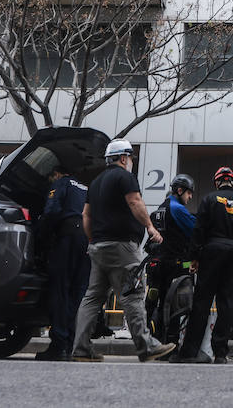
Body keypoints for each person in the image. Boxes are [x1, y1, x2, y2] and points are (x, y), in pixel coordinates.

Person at [67, 138, 177, 362]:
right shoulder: (125, 177)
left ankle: (81, 348)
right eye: (130, 158)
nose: (131, 163)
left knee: (92, 298)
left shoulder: (96, 182)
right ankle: (146, 346)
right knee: (133, 294)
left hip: (98, 247)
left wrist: (93, 240)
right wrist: (149, 227)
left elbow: (85, 216)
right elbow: (135, 202)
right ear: (124, 158)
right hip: (122, 247)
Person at [171, 166, 233, 364]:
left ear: (217, 182)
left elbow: (199, 229)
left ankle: (189, 352)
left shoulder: (209, 199)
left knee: (202, 302)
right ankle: (221, 353)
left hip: (211, 252)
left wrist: (194, 257)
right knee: (227, 302)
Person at [35, 164, 90, 361]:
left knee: (60, 291)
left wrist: (41, 237)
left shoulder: (60, 184)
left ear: (57, 173)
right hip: (86, 242)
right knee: (77, 294)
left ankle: (58, 346)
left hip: (67, 239)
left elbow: (51, 211)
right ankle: (70, 344)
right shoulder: (85, 188)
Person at [147, 173, 196, 345]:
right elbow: (195, 230)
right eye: (189, 193)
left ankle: (157, 341)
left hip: (156, 265)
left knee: (159, 305)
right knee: (176, 306)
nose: (190, 197)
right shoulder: (177, 209)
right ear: (180, 190)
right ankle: (172, 344)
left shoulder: (159, 209)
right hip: (174, 265)